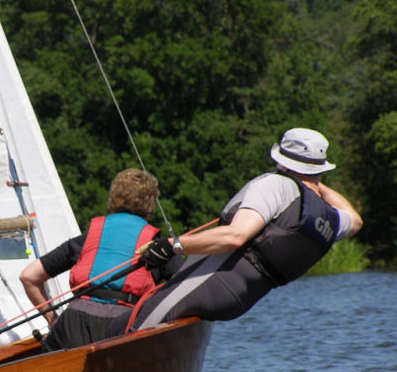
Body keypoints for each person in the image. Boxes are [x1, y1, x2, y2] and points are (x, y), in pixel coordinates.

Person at [111, 127, 363, 333]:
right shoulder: (328, 217)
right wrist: (315, 184)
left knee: (135, 326)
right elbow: (355, 220)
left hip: (214, 279)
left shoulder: (277, 185)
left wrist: (172, 245)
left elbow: (236, 236)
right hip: (238, 300)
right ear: (319, 169)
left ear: (281, 161)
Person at [20, 168, 182, 351]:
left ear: (113, 198)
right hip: (122, 327)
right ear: (150, 203)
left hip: (73, 325)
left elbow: (29, 277)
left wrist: (52, 320)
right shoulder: (157, 247)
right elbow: (186, 287)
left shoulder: (87, 240)